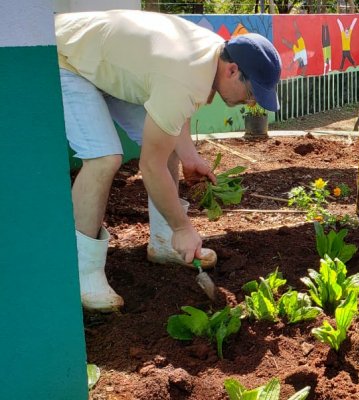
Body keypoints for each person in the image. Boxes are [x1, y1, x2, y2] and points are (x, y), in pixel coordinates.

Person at [56, 10, 282, 312]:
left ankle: (162, 243)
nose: (251, 103)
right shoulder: (186, 74)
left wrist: (189, 157)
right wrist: (183, 228)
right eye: (252, 93)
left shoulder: (212, 54)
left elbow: (175, 117)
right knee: (104, 157)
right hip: (67, 59)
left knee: (170, 149)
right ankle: (82, 272)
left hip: (101, 63)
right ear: (232, 70)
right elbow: (150, 166)